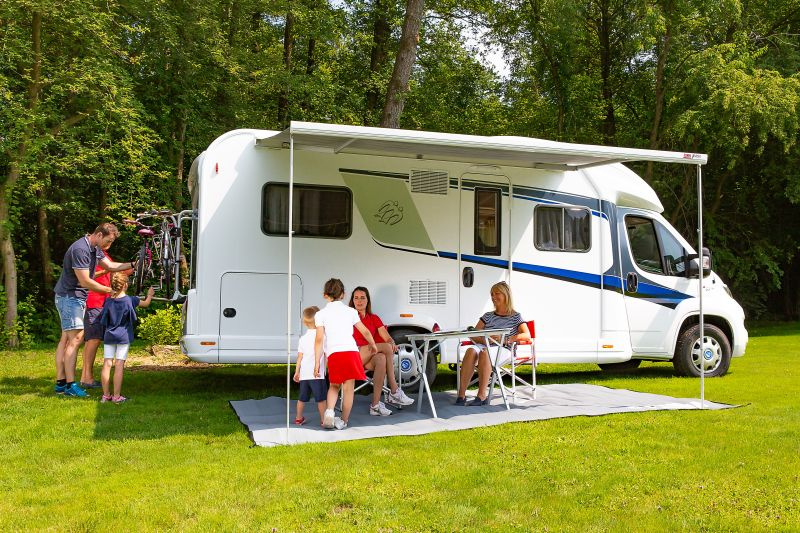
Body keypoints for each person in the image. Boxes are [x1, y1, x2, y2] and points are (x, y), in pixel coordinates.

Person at [53, 223, 138, 398]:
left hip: (76, 297)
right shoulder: (81, 249)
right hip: (69, 297)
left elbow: (110, 266)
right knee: (75, 339)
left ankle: (61, 384)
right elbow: (85, 281)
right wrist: (110, 290)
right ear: (99, 235)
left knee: (69, 340)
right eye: (108, 241)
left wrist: (133, 264)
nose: (109, 245)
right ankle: (70, 385)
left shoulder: (94, 248)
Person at [314, 278, 377, 430]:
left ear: (325, 295)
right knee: (348, 389)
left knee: (334, 386)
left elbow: (319, 340)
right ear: (343, 294)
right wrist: (373, 345)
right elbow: (365, 331)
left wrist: (317, 362)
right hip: (351, 353)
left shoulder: (320, 314)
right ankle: (343, 421)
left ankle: (330, 411)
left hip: (334, 354)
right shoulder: (351, 312)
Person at [455, 281, 530, 406]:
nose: (493, 297)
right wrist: (485, 340)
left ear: (506, 295)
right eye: (492, 294)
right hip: (485, 345)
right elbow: (474, 334)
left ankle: (481, 396)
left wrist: (507, 339)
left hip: (504, 348)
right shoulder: (488, 316)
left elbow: (527, 335)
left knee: (485, 353)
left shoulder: (515, 316)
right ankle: (461, 395)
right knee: (471, 350)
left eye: (497, 293)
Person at [348, 286, 414, 415]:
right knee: (386, 347)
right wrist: (389, 345)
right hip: (353, 354)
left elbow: (386, 337)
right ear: (352, 301)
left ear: (367, 300)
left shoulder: (374, 318)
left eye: (362, 298)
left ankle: (375, 405)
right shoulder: (349, 317)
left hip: (368, 355)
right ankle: (394, 390)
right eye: (356, 298)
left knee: (381, 359)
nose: (359, 301)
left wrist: (391, 342)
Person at [80, 242, 132, 389]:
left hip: (103, 301)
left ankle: (86, 377)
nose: (109, 244)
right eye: (108, 241)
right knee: (93, 339)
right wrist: (107, 270)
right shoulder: (93, 255)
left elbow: (113, 272)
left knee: (93, 339)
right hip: (95, 300)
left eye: (111, 242)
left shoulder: (103, 256)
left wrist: (130, 268)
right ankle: (86, 378)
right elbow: (88, 276)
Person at [99, 272, 154, 403]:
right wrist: (150, 295)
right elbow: (146, 303)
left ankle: (106, 396)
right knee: (119, 364)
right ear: (125, 285)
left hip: (109, 336)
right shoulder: (131, 300)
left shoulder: (108, 301)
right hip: (123, 337)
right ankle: (116, 397)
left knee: (107, 363)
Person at [292, 306, 328, 426]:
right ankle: (324, 420)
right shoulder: (323, 337)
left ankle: (298, 418)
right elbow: (326, 354)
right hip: (317, 374)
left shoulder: (302, 339)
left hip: (304, 375)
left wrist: (297, 372)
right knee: (321, 399)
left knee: (302, 398)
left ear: (304, 322)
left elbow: (300, 357)